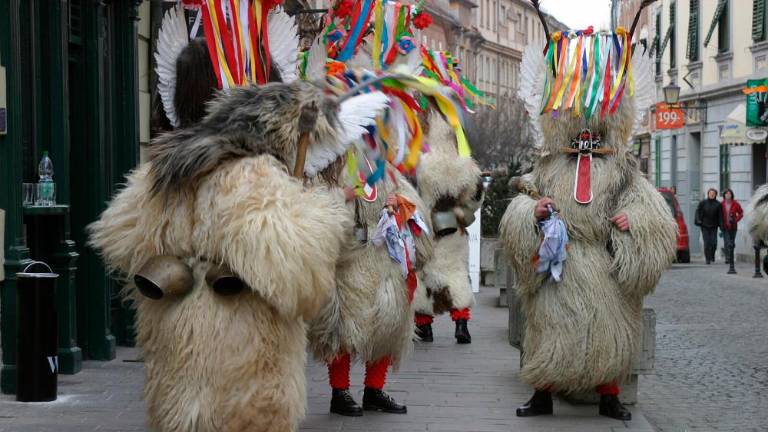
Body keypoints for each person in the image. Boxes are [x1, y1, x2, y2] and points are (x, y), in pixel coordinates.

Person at [499, 2, 676, 421]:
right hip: (558, 267)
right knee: (547, 332)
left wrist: (635, 224)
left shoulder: (623, 168)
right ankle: (541, 394)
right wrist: (533, 212)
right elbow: (522, 200)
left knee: (609, 333)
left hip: (602, 266)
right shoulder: (548, 165)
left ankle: (609, 396)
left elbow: (654, 215)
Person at [695, 188, 723, 264]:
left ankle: (712, 255)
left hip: (714, 226)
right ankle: (707, 258)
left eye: (713, 193)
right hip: (704, 225)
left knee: (714, 243)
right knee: (707, 242)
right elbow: (697, 211)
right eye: (710, 193)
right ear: (708, 194)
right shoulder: (703, 203)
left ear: (715, 195)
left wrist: (721, 226)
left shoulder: (718, 204)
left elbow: (720, 216)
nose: (712, 194)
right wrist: (698, 220)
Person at [721, 188, 744, 270]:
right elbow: (719, 215)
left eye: (729, 194)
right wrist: (720, 224)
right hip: (725, 226)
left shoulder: (736, 204)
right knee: (727, 242)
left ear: (732, 195)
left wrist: (736, 220)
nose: (728, 195)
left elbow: (741, 213)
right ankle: (728, 258)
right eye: (726, 194)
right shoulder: (722, 204)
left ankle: (731, 256)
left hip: (733, 226)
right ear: (724, 195)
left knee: (732, 242)